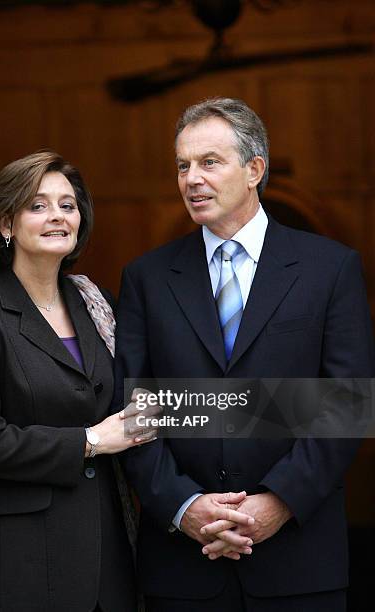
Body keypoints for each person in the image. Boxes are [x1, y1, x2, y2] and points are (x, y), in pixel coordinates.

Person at [113, 98, 374, 611]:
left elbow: (346, 404)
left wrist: (279, 502)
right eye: (182, 166)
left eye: (209, 162)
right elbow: (135, 409)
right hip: (182, 564)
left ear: (255, 169)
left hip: (300, 560)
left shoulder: (330, 269)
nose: (191, 179)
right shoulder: (146, 278)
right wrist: (184, 505)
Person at [0, 150, 157, 611]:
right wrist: (90, 441)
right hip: (10, 562)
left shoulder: (97, 305)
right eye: (38, 205)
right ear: (6, 225)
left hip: (104, 559)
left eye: (68, 205)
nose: (57, 216)